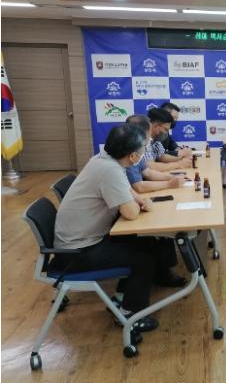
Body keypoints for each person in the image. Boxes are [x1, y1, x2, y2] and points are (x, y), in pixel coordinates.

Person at [52, 124, 182, 332]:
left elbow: (129, 191)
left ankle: (124, 297)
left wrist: (140, 201)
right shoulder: (109, 170)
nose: (145, 150)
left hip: (82, 240)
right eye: (144, 147)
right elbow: (130, 213)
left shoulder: (104, 160)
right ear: (133, 156)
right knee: (143, 259)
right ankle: (131, 315)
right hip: (76, 253)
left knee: (149, 240)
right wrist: (141, 204)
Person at [125, 115, 186, 193]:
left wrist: (172, 177)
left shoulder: (135, 149)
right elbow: (139, 187)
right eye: (148, 134)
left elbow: (148, 172)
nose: (150, 138)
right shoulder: (127, 153)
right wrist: (169, 184)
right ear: (138, 134)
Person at [145, 107, 192, 172]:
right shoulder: (143, 139)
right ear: (156, 126)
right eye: (166, 129)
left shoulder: (155, 139)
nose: (167, 133)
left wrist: (182, 159)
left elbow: (162, 156)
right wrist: (178, 164)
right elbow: (150, 167)